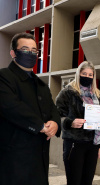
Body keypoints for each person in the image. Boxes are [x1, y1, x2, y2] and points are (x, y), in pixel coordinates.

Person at [0, 32, 61, 185]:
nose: (31, 53)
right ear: (13, 53)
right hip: (14, 160)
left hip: (39, 159)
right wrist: (40, 126)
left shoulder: (41, 84)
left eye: (34, 50)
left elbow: (52, 108)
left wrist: (55, 123)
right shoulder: (4, 76)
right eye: (25, 49)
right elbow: (11, 107)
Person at [56, 61, 100, 185]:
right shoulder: (67, 92)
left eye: (90, 75)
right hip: (74, 143)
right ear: (78, 73)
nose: (87, 76)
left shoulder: (97, 95)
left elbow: (99, 121)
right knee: (74, 181)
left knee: (87, 181)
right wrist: (70, 122)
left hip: (92, 145)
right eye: (84, 73)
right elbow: (56, 116)